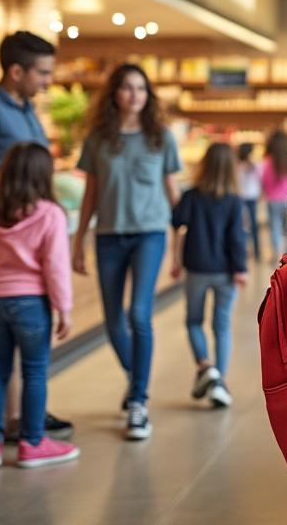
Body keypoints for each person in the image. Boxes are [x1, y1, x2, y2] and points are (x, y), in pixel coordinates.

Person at [0, 31, 72, 442]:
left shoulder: (27, 111)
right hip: (1, 237)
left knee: (20, 347)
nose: (47, 81)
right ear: (16, 71)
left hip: (28, 234)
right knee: (5, 353)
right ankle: (13, 423)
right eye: (42, 73)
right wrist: (19, 197)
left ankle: (21, 417)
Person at [72, 65, 181, 441]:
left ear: (148, 95)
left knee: (139, 314)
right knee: (113, 321)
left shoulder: (160, 137)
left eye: (141, 88)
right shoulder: (98, 139)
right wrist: (78, 241)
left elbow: (172, 193)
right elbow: (90, 194)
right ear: (114, 94)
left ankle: (138, 401)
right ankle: (137, 378)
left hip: (149, 234)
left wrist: (182, 240)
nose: (134, 95)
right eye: (126, 88)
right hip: (108, 236)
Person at [0, 142, 78, 469]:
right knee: (34, 372)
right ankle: (32, 443)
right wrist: (64, 308)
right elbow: (55, 266)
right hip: (32, 303)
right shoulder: (51, 214)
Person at [171, 142, 247, 408]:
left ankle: (205, 367)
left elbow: (176, 222)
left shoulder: (192, 196)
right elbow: (237, 238)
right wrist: (241, 269)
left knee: (194, 321)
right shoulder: (234, 201)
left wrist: (175, 261)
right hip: (226, 272)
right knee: (221, 326)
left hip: (196, 268)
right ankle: (220, 381)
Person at [261, 130, 287, 258]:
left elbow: (264, 181)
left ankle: (276, 254)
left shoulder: (267, 161)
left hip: (273, 201)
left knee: (275, 229)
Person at [234, 142, 263, 262]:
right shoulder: (254, 165)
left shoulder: (238, 165)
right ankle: (256, 252)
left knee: (242, 225)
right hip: (250, 197)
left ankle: (246, 251)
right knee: (252, 225)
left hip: (242, 197)